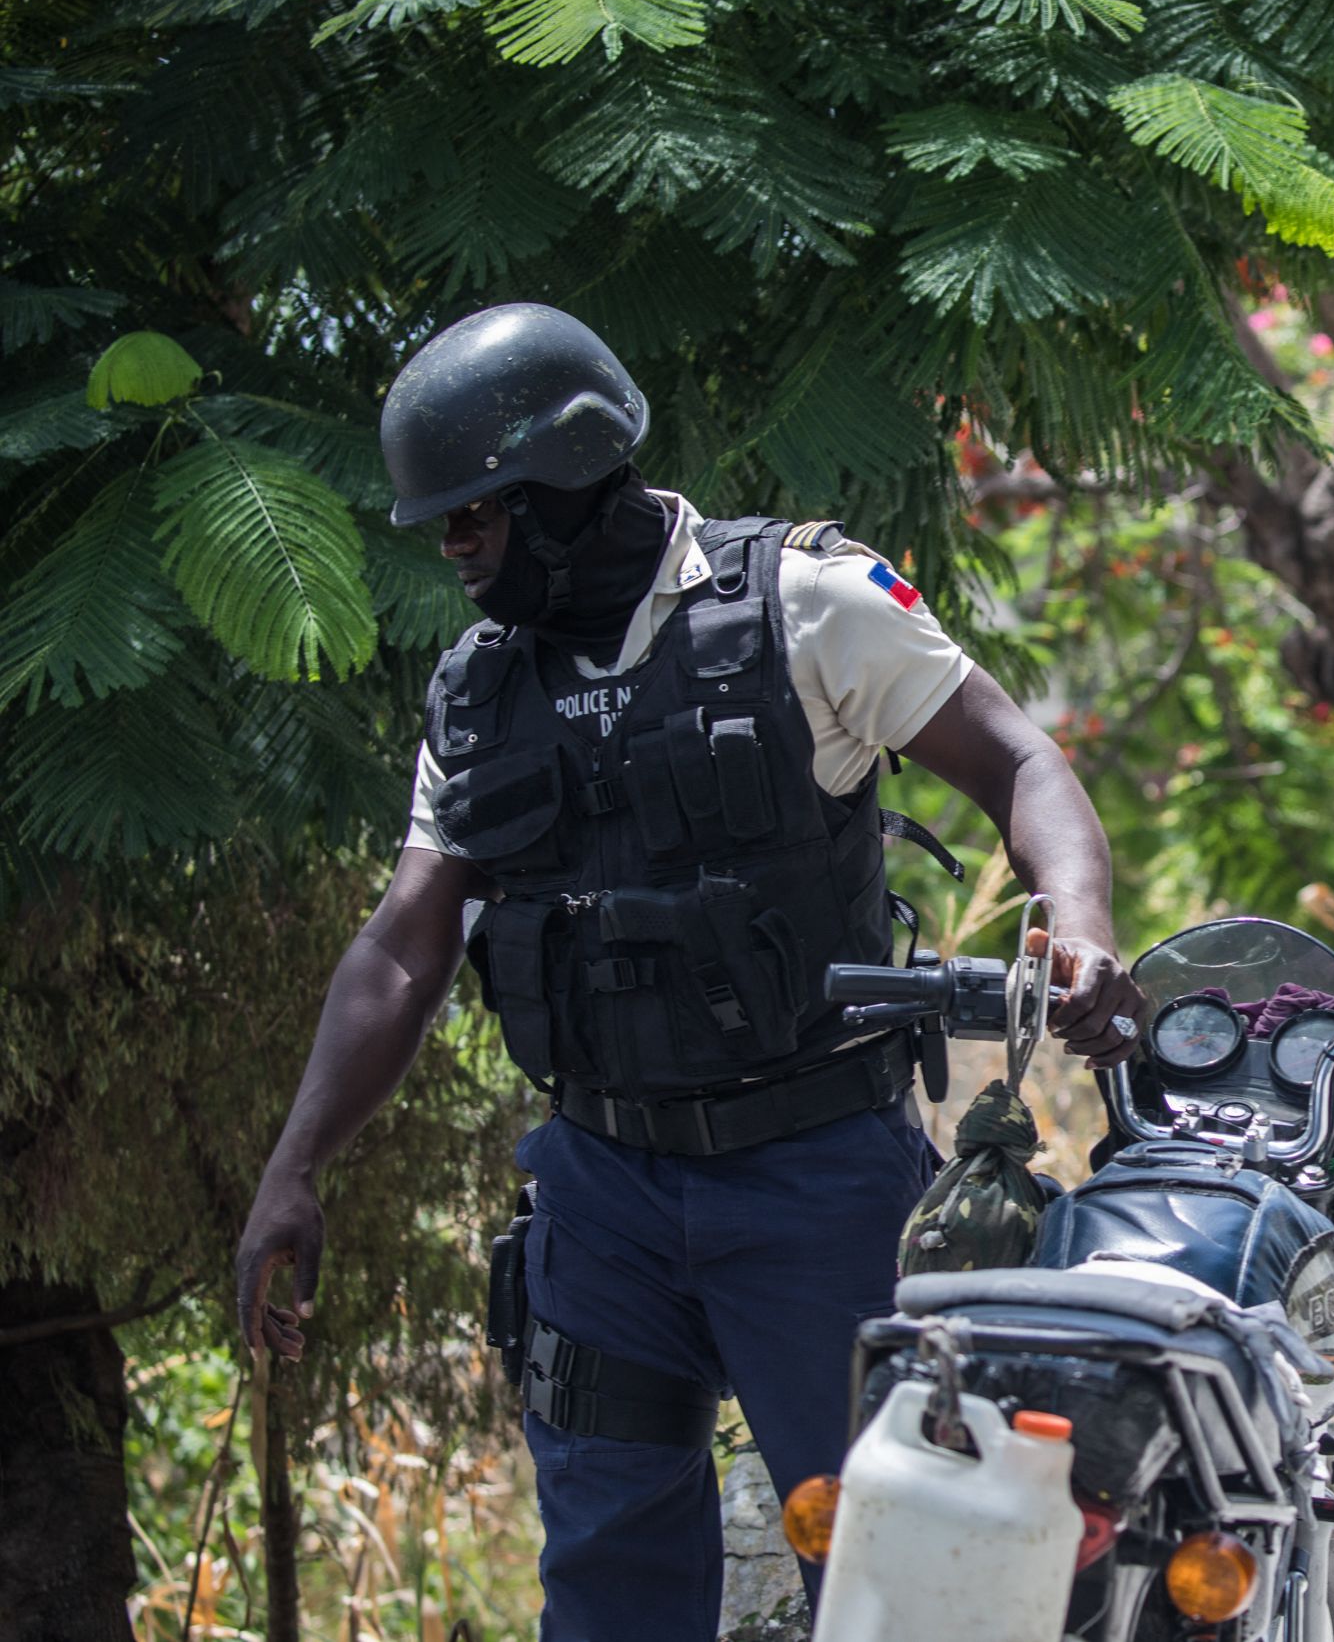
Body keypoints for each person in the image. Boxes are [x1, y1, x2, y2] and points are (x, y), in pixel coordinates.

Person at [233, 302, 1146, 1642]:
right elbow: (403, 942)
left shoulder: (809, 601)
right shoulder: (477, 693)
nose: (454, 548)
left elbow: (1018, 759)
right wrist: (295, 1163)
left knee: (906, 1573)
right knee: (608, 1578)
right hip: (600, 1198)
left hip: (818, 1178)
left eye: (475, 515)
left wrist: (1079, 924)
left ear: (561, 480)